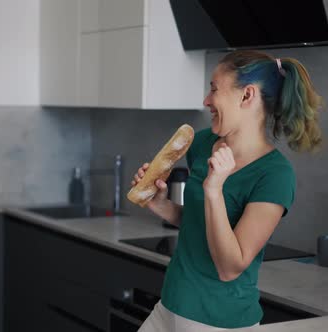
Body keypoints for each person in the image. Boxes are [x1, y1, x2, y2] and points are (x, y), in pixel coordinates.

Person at [132, 50, 322, 331]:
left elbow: (230, 267)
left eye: (214, 89)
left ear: (247, 96)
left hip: (217, 321)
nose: (206, 100)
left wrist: (214, 190)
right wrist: (162, 206)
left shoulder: (275, 175)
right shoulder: (200, 143)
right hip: (170, 305)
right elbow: (200, 223)